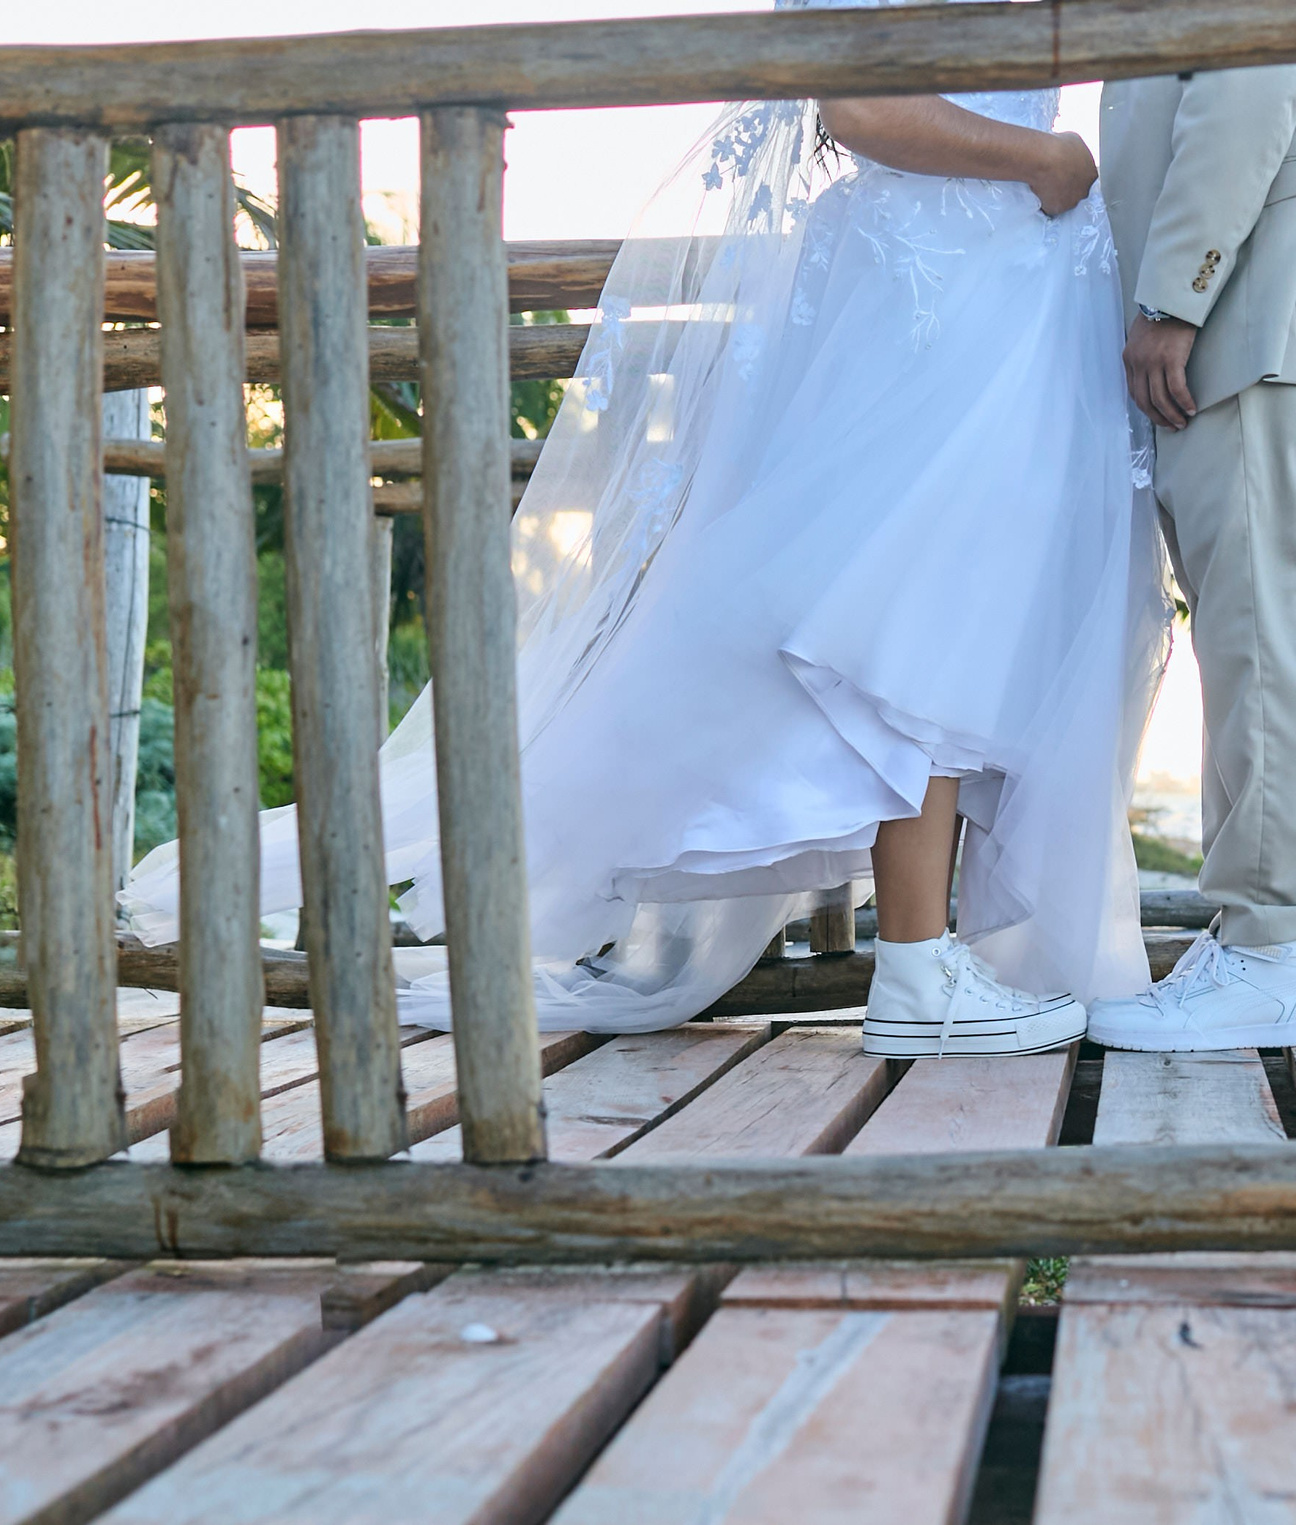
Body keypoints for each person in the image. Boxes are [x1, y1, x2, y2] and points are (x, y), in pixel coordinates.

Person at [125, 37, 1168, 1058]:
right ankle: (914, 966)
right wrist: (1046, 159)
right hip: (942, 288)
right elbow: (859, 104)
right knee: (910, 617)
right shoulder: (1015, 167)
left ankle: (925, 957)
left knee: (949, 613)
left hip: (989, 281)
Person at [1089, 62, 1296, 1052]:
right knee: (1245, 635)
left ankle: (1277, 954)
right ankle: (1257, 938)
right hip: (1248, 300)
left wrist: (1172, 299)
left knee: (1263, 632)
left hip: (1246, 295)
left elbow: (1250, 77)